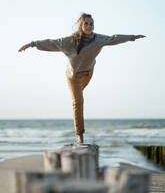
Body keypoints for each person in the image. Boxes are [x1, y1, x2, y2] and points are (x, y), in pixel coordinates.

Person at [18, 13, 146, 143]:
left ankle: (77, 100)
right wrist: (32, 44)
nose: (89, 26)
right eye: (86, 24)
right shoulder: (69, 41)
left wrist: (132, 37)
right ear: (81, 25)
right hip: (72, 76)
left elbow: (114, 38)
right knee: (78, 102)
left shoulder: (98, 39)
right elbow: (52, 43)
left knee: (78, 98)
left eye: (91, 24)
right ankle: (80, 135)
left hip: (88, 73)